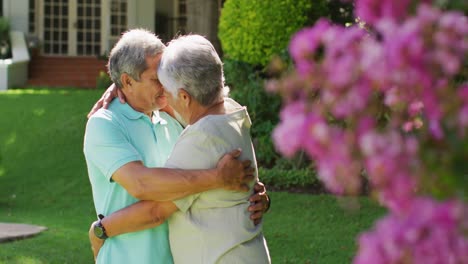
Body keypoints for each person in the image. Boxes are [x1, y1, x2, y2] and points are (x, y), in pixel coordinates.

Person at [84, 29, 268, 264]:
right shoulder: (105, 124)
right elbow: (142, 184)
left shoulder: (173, 120)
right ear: (127, 81)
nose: (165, 83)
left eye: (166, 75)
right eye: (156, 78)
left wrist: (250, 191)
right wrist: (218, 178)